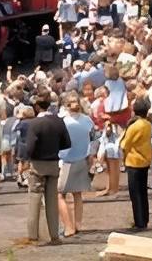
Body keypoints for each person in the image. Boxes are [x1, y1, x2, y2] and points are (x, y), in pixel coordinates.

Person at [24, 93, 71, 244]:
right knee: (52, 200)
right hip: (53, 163)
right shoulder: (59, 121)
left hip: (38, 163)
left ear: (37, 106)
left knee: (35, 198)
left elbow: (30, 147)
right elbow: (67, 143)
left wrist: (28, 157)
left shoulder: (35, 124)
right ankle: (54, 235)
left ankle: (33, 235)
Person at [57, 93, 93, 237]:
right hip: (82, 158)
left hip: (67, 160)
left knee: (60, 194)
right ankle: (78, 224)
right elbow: (92, 138)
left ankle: (68, 226)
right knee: (78, 194)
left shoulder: (64, 122)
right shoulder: (87, 120)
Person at [120, 98, 152, 231]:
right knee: (143, 192)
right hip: (144, 160)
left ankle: (139, 221)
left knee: (135, 193)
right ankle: (144, 218)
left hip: (133, 161)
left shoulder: (134, 126)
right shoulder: (148, 124)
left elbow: (124, 144)